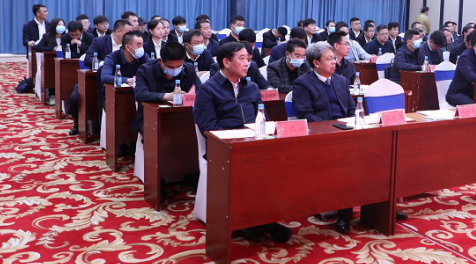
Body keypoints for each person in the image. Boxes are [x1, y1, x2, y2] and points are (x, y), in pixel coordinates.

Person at [193, 42, 292, 243]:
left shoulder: (252, 87)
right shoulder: (208, 89)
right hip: (223, 147)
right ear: (226, 62)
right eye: (242, 58)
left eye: (248, 58)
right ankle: (258, 223)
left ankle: (261, 219)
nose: (248, 63)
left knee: (282, 162)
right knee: (250, 166)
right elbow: (208, 128)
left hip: (252, 143)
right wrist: (237, 140)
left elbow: (263, 118)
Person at [290, 42, 357, 233]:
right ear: (316, 63)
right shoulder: (303, 83)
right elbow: (305, 114)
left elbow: (351, 109)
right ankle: (344, 214)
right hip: (321, 136)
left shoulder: (341, 81)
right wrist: (332, 129)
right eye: (329, 59)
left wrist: (353, 125)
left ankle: (379, 204)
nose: (334, 62)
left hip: (346, 132)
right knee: (345, 162)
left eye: (334, 58)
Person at [133, 42, 200, 136]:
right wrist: (168, 96)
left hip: (182, 116)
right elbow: (140, 94)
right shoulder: (145, 70)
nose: (175, 70)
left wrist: (189, 96)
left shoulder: (188, 69)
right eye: (170, 67)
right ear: (160, 61)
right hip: (151, 118)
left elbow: (201, 91)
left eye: (179, 66)